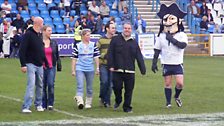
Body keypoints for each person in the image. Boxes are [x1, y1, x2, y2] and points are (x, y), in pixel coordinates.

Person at [151, 3, 188, 108]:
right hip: (166, 63)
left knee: (180, 83)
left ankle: (176, 96)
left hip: (177, 63)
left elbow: (182, 45)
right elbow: (157, 49)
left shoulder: (181, 35)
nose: (168, 22)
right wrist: (154, 63)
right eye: (166, 19)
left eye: (171, 19)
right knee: (167, 83)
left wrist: (171, 39)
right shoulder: (161, 36)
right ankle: (168, 103)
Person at [107, 22, 146, 113]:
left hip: (130, 71)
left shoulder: (134, 43)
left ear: (131, 30)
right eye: (125, 28)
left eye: (128, 28)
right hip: (117, 69)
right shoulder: (115, 39)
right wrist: (111, 65)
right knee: (117, 88)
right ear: (122, 29)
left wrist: (142, 69)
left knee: (129, 91)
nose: (127, 30)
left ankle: (127, 107)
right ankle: (118, 100)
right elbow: (110, 53)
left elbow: (139, 57)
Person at [19, 17, 46, 113]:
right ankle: (26, 106)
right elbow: (22, 50)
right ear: (38, 23)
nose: (43, 25)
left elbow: (41, 49)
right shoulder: (28, 34)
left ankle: (38, 104)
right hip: (30, 63)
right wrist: (23, 64)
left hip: (39, 64)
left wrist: (44, 61)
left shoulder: (39, 35)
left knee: (40, 85)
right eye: (42, 23)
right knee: (31, 84)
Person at [71, 29, 100, 109]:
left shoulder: (93, 45)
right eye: (87, 35)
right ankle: (80, 101)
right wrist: (73, 70)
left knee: (89, 87)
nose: (89, 37)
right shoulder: (78, 45)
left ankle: (88, 102)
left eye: (89, 35)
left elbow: (96, 57)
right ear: (83, 36)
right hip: (80, 67)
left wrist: (97, 68)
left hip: (90, 68)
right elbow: (74, 58)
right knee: (80, 85)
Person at [42, 25, 62, 111]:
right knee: (42, 86)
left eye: (51, 31)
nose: (50, 32)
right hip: (41, 67)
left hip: (51, 66)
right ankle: (43, 104)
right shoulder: (39, 42)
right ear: (44, 31)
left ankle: (50, 103)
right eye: (49, 30)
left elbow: (57, 55)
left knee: (50, 84)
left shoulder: (53, 42)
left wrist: (59, 65)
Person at [97, 22, 116, 107]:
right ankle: (102, 97)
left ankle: (107, 101)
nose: (114, 29)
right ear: (107, 29)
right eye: (112, 28)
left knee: (111, 84)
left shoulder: (116, 40)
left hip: (113, 65)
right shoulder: (101, 40)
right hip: (103, 64)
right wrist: (104, 55)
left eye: (114, 28)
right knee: (104, 82)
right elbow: (96, 52)